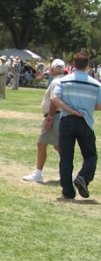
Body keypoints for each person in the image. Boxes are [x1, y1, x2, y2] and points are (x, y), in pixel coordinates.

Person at [51, 52, 101, 201]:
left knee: (66, 157)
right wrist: (87, 107)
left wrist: (70, 110)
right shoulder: (96, 84)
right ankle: (83, 177)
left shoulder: (64, 81)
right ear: (87, 65)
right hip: (85, 120)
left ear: (73, 64)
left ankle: (67, 191)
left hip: (67, 119)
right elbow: (99, 105)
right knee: (90, 155)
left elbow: (55, 98)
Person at [23, 58, 67, 184]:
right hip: (60, 116)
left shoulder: (55, 82)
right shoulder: (64, 81)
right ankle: (68, 171)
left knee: (42, 144)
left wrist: (49, 118)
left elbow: (54, 101)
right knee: (58, 146)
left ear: (52, 70)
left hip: (54, 115)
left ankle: (38, 173)